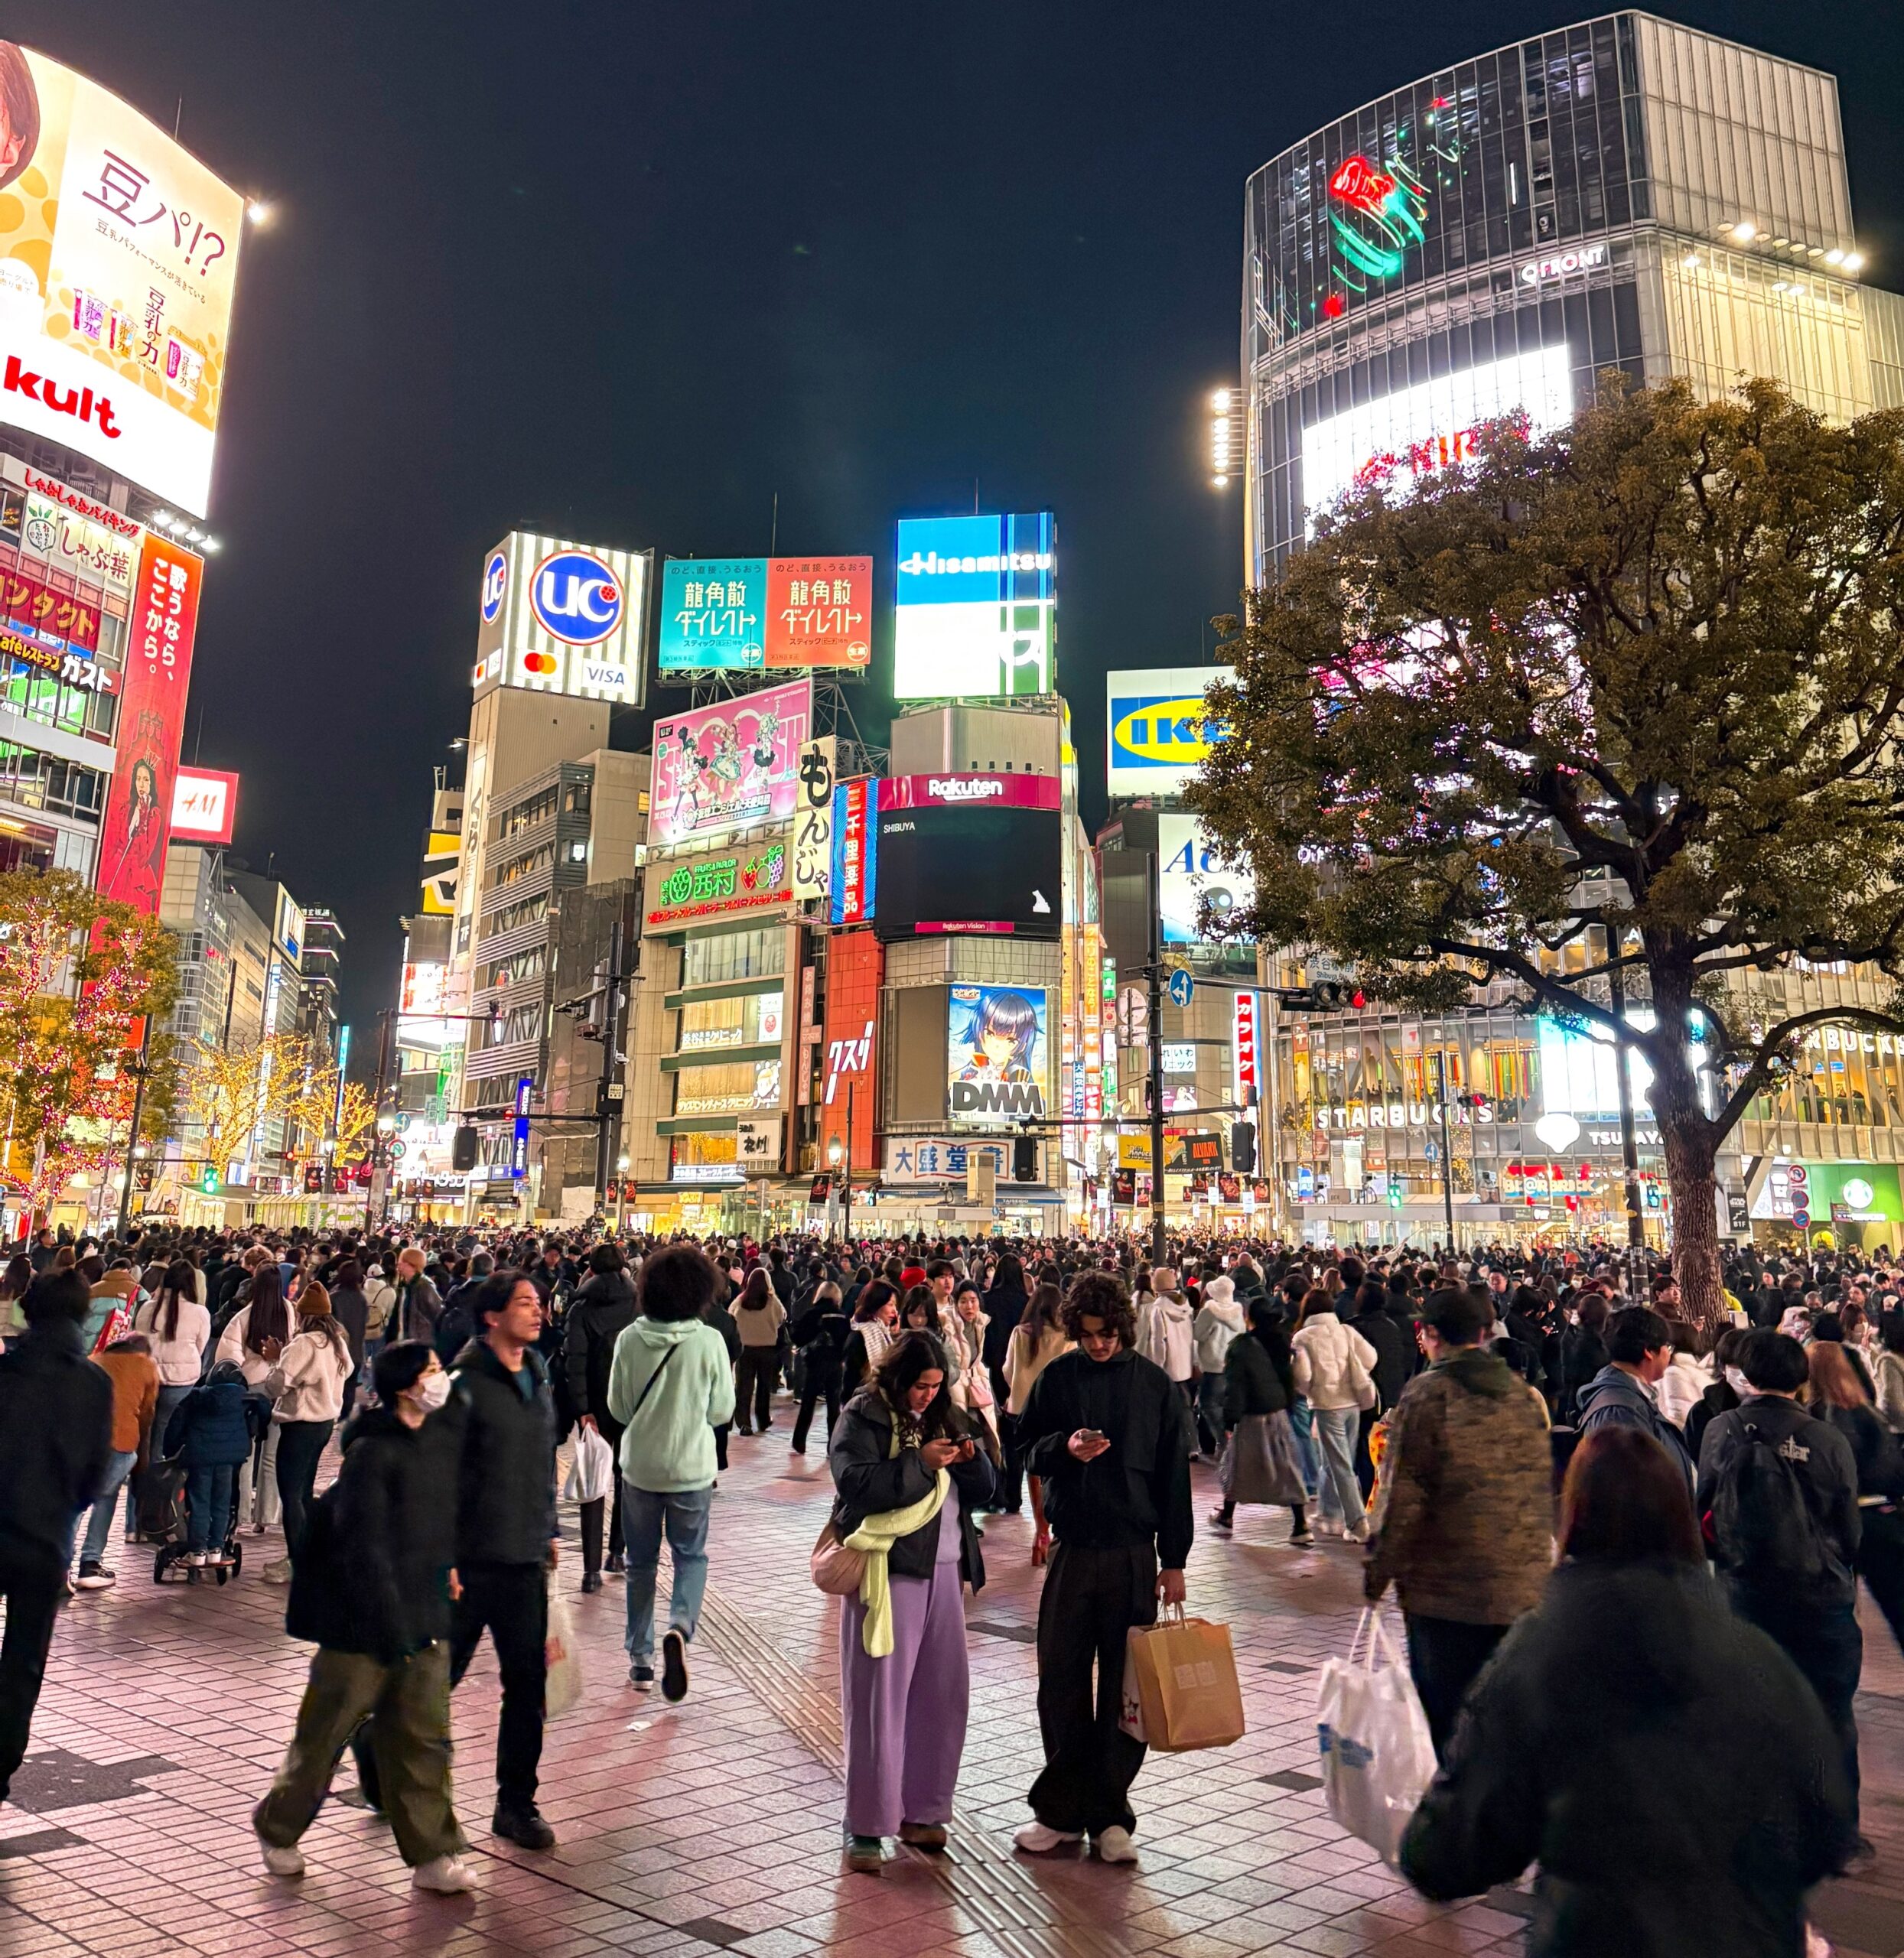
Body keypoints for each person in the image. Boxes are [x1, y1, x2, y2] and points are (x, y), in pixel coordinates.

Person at [1400, 1426, 1857, 1955]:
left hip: (1598, 1937)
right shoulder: (1749, 1649)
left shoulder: (1541, 1653)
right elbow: (1827, 1820)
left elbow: (1450, 1849)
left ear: (1573, 1514)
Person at [254, 1340, 470, 1894]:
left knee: (423, 1739)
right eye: (430, 1370)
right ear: (404, 1386)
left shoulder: (439, 1442)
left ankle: (432, 1852)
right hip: (361, 1624)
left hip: (423, 1614)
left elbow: (444, 1518)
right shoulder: (375, 1452)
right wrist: (388, 1618)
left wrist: (448, 1567)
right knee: (323, 1736)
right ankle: (279, 1827)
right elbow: (364, 1544)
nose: (440, 1378)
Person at [1014, 1272, 1193, 1866]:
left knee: (1126, 1689)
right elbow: (1023, 1448)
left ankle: (1111, 1815)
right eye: (1087, 1335)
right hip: (1073, 1548)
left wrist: (1175, 1561)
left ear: (1123, 1328)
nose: (1097, 1345)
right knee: (1059, 1677)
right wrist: (1061, 1448)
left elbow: (1173, 1479)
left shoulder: (1155, 1388)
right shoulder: (1059, 1379)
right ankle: (1062, 1814)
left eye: (1107, 1334)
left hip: (1134, 1554)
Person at [1363, 1285, 1554, 1758]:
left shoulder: (1428, 1394)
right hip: (1520, 1589)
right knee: (1507, 1725)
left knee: (1451, 1729)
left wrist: (1377, 1573)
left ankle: (1462, 1822)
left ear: (1429, 1335)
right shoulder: (1524, 1398)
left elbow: (1402, 1496)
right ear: (1486, 1333)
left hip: (1447, 1593)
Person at [830, 1332, 995, 1873]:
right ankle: (867, 1825)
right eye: (921, 1386)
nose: (928, 1395)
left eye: (935, 1386)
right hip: (887, 1571)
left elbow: (985, 1487)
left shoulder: (947, 1412)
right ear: (898, 1379)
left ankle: (925, 1810)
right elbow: (855, 1483)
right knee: (879, 1701)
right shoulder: (863, 1414)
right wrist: (920, 1464)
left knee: (941, 1697)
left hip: (946, 1567)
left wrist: (968, 1460)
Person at [1697, 1329, 1863, 1833]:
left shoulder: (1719, 1431)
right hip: (1820, 1600)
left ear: (1744, 1376)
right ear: (1801, 1378)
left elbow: (1703, 1511)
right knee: (1830, 1714)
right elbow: (1848, 1531)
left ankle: (1760, 1824)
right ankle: (1835, 1830)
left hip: (1742, 1595)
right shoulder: (1826, 1437)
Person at [445, 1270, 560, 1851]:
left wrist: (550, 1530)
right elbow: (438, 1474)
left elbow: (542, 1459)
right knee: (435, 1680)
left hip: (523, 1560)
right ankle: (379, 1758)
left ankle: (515, 1803)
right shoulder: (463, 1381)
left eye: (538, 1303)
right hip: (468, 1561)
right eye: (524, 1304)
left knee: (527, 1685)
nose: (537, 1312)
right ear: (491, 1316)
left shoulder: (537, 1374)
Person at [0, 1270, 112, 1805]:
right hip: (46, 1543)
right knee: (24, 1660)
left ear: (29, 1312)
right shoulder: (94, 1383)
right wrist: (64, 1507)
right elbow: (97, 1472)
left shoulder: (5, 1375)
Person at [605, 1244, 735, 1699]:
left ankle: (640, 1658)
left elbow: (618, 1408)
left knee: (639, 1564)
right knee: (690, 1556)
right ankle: (680, 1625)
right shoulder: (709, 1341)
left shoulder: (629, 1339)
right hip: (692, 1470)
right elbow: (723, 1411)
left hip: (639, 1468)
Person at [1808, 1339, 1904, 1656]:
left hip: (1838, 1521)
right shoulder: (1866, 1412)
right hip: (1880, 1516)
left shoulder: (1812, 1420)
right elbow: (1891, 1467)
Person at [259, 1283, 353, 1582]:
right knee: (303, 1491)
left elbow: (277, 1386)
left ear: (303, 1316)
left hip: (300, 1426)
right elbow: (348, 1371)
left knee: (292, 1495)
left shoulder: (303, 1345)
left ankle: (297, 1560)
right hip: (324, 1424)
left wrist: (277, 1357)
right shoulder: (337, 1341)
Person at [564, 1242, 639, 1591]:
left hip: (594, 1404)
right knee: (627, 1479)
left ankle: (591, 1570)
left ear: (590, 1269)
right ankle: (618, 1552)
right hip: (632, 1404)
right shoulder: (640, 1304)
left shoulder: (582, 1306)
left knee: (593, 1482)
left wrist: (582, 1409)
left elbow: (575, 1361)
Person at [1207, 1295, 1310, 1544]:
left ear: (1249, 1318)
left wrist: (1230, 1420)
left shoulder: (1242, 1347)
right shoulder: (1282, 1340)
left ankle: (1227, 1516)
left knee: (1238, 1465)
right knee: (1287, 1466)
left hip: (1252, 1415)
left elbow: (1236, 1386)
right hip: (1278, 1411)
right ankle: (1300, 1524)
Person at [73, 1331, 158, 1591]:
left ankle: (60, 1564)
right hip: (121, 1444)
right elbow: (146, 1416)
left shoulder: (93, 1360)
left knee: (76, 1501)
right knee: (103, 1499)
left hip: (83, 1441)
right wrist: (143, 1461)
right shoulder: (147, 1366)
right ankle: (90, 1563)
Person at [1290, 1286, 1377, 1541]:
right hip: (1353, 1404)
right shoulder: (1347, 1331)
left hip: (1327, 1405)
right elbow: (1371, 1358)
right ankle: (1329, 1513)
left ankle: (1358, 1522)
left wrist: (1310, 1389)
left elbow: (1302, 1376)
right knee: (1335, 1461)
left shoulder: (1303, 1337)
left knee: (1340, 1465)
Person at [1575, 1306, 1694, 1488]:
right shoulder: (1619, 1412)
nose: (1669, 1354)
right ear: (1649, 1351)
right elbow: (1630, 1490)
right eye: (1667, 1347)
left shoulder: (1631, 1395)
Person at [217, 1263, 291, 1532]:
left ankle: (240, 1516)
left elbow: (228, 1354)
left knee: (244, 1453)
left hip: (249, 1390)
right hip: (277, 1388)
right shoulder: (289, 1311)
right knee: (272, 1454)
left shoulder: (244, 1316)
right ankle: (267, 1516)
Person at [1004, 1281, 1071, 1565]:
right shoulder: (1067, 1337)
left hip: (1021, 1408)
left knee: (1032, 1472)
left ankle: (1040, 1530)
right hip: (1057, 1413)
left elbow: (1008, 1370)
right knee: (1055, 1469)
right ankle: (1053, 1529)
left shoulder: (1021, 1333)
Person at [171, 1359, 259, 1567]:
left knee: (200, 1502)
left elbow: (177, 1423)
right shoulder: (245, 1398)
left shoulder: (196, 1397)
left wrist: (171, 1450)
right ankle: (216, 1548)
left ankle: (198, 1550)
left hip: (200, 1458)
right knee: (222, 1502)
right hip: (229, 1460)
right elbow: (263, 1408)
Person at [130, 1257, 209, 1458]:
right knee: (166, 1435)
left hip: (148, 1378)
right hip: (181, 1381)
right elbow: (201, 1346)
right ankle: (159, 1482)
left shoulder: (149, 1308)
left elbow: (138, 1339)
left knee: (144, 1434)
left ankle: (139, 1483)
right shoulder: (200, 1312)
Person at [789, 1281, 850, 1454]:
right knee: (833, 1405)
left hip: (815, 1362)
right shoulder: (842, 1316)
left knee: (808, 1403)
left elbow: (798, 1338)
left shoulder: (812, 1313)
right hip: (835, 1364)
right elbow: (847, 1341)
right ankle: (833, 1444)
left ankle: (799, 1441)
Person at [1191, 1276, 1245, 1461]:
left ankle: (1224, 1440)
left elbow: (1198, 1334)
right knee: (1224, 1405)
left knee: (1208, 1404)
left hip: (1213, 1365)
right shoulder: (1238, 1311)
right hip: (1232, 1364)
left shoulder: (1209, 1311)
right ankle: (1226, 1441)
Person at [732, 1266, 786, 1436]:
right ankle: (763, 1420)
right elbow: (782, 1317)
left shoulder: (741, 1300)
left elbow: (731, 1315)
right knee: (764, 1387)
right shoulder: (773, 1302)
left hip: (745, 1349)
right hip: (767, 1350)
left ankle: (743, 1423)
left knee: (744, 1387)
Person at [327, 1258, 371, 1426]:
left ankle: (333, 1415)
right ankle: (345, 1417)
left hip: (337, 1351)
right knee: (350, 1387)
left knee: (335, 1386)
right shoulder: (361, 1299)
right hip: (357, 1350)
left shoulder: (334, 1297)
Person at [391, 1246, 442, 1346]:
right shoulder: (405, 1285)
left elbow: (437, 1313)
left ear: (412, 1265)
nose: (398, 1264)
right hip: (406, 1342)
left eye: (402, 1261)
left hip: (419, 1344)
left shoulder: (424, 1286)